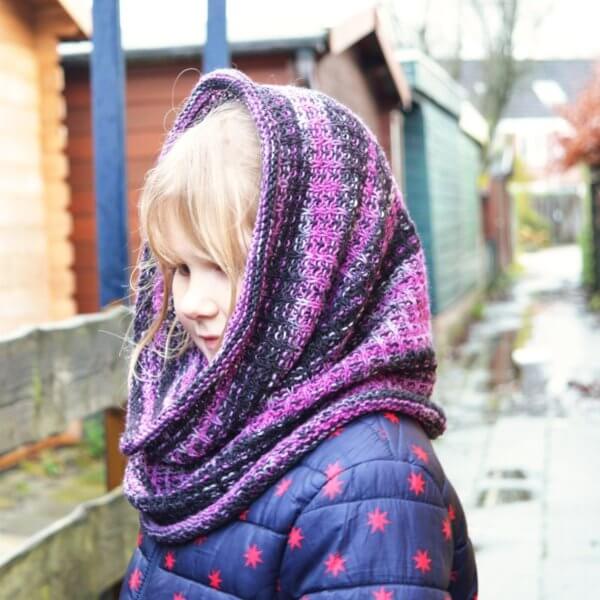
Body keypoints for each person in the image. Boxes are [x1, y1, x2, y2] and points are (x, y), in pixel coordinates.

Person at [118, 68, 478, 599]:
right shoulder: (202, 424)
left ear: (314, 274)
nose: (192, 304)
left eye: (222, 266)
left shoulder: (370, 481)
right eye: (182, 271)